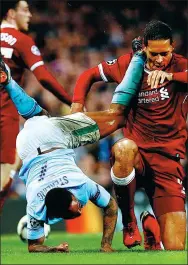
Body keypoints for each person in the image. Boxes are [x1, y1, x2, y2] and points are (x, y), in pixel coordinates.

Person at [0, 49, 146, 252]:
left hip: (55, 138)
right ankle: (8, 83)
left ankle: (138, 58)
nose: (82, 208)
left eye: (76, 206)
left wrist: (106, 246)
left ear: (71, 194)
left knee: (117, 119)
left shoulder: (79, 185)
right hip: (26, 143)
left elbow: (111, 206)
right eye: (77, 212)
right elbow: (34, 247)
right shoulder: (35, 203)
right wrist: (53, 249)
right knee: (38, 115)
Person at [71, 20, 188, 250]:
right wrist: (77, 106)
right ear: (144, 47)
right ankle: (129, 222)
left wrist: (171, 77)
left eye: (164, 53)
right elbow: (88, 75)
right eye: (154, 53)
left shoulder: (180, 67)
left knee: (175, 248)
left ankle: (152, 235)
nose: (159, 60)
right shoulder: (129, 65)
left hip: (167, 162)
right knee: (123, 147)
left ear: (172, 47)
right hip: (136, 157)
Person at [0, 0, 72, 210]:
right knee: (6, 173)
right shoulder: (20, 40)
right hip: (5, 115)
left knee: (13, 163)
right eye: (25, 10)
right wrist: (72, 101)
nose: (30, 15)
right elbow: (44, 77)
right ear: (11, 13)